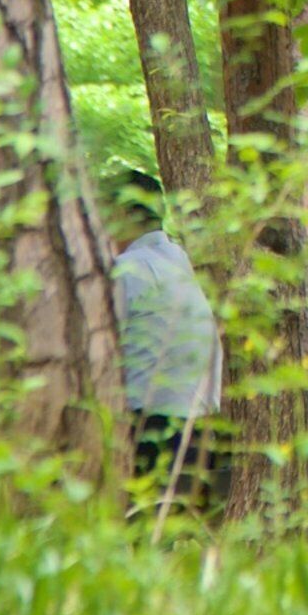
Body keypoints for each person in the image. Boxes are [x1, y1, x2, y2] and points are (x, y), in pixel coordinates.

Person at [108, 171, 221, 490]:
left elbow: (98, 347)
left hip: (150, 430)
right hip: (199, 432)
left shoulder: (130, 268)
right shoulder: (177, 260)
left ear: (122, 214)